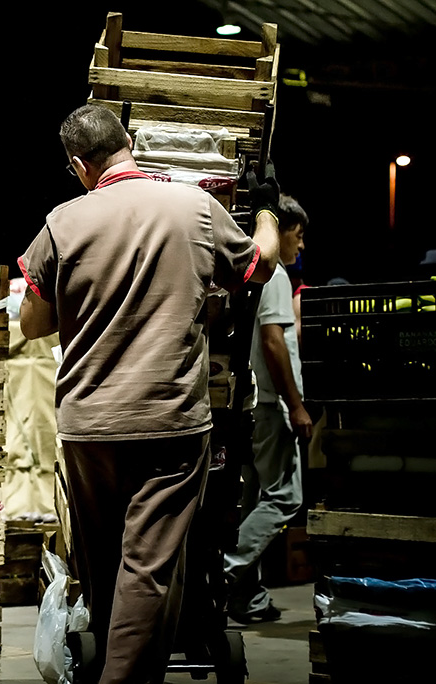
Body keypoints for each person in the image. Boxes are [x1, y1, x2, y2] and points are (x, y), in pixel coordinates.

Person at [18, 103, 280, 684]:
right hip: (168, 422)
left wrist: (91, 294)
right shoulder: (194, 207)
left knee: (105, 563)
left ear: (78, 165)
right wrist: (265, 209)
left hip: (88, 424)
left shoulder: (64, 220)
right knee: (149, 568)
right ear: (129, 141)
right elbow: (259, 266)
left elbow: (32, 323)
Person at [224, 194, 313, 624]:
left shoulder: (253, 267)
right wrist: (296, 406)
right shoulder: (274, 272)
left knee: (252, 498)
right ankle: (226, 571)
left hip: (253, 402)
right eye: (297, 236)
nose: (301, 247)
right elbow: (274, 341)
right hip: (273, 404)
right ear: (282, 230)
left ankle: (248, 599)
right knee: (285, 495)